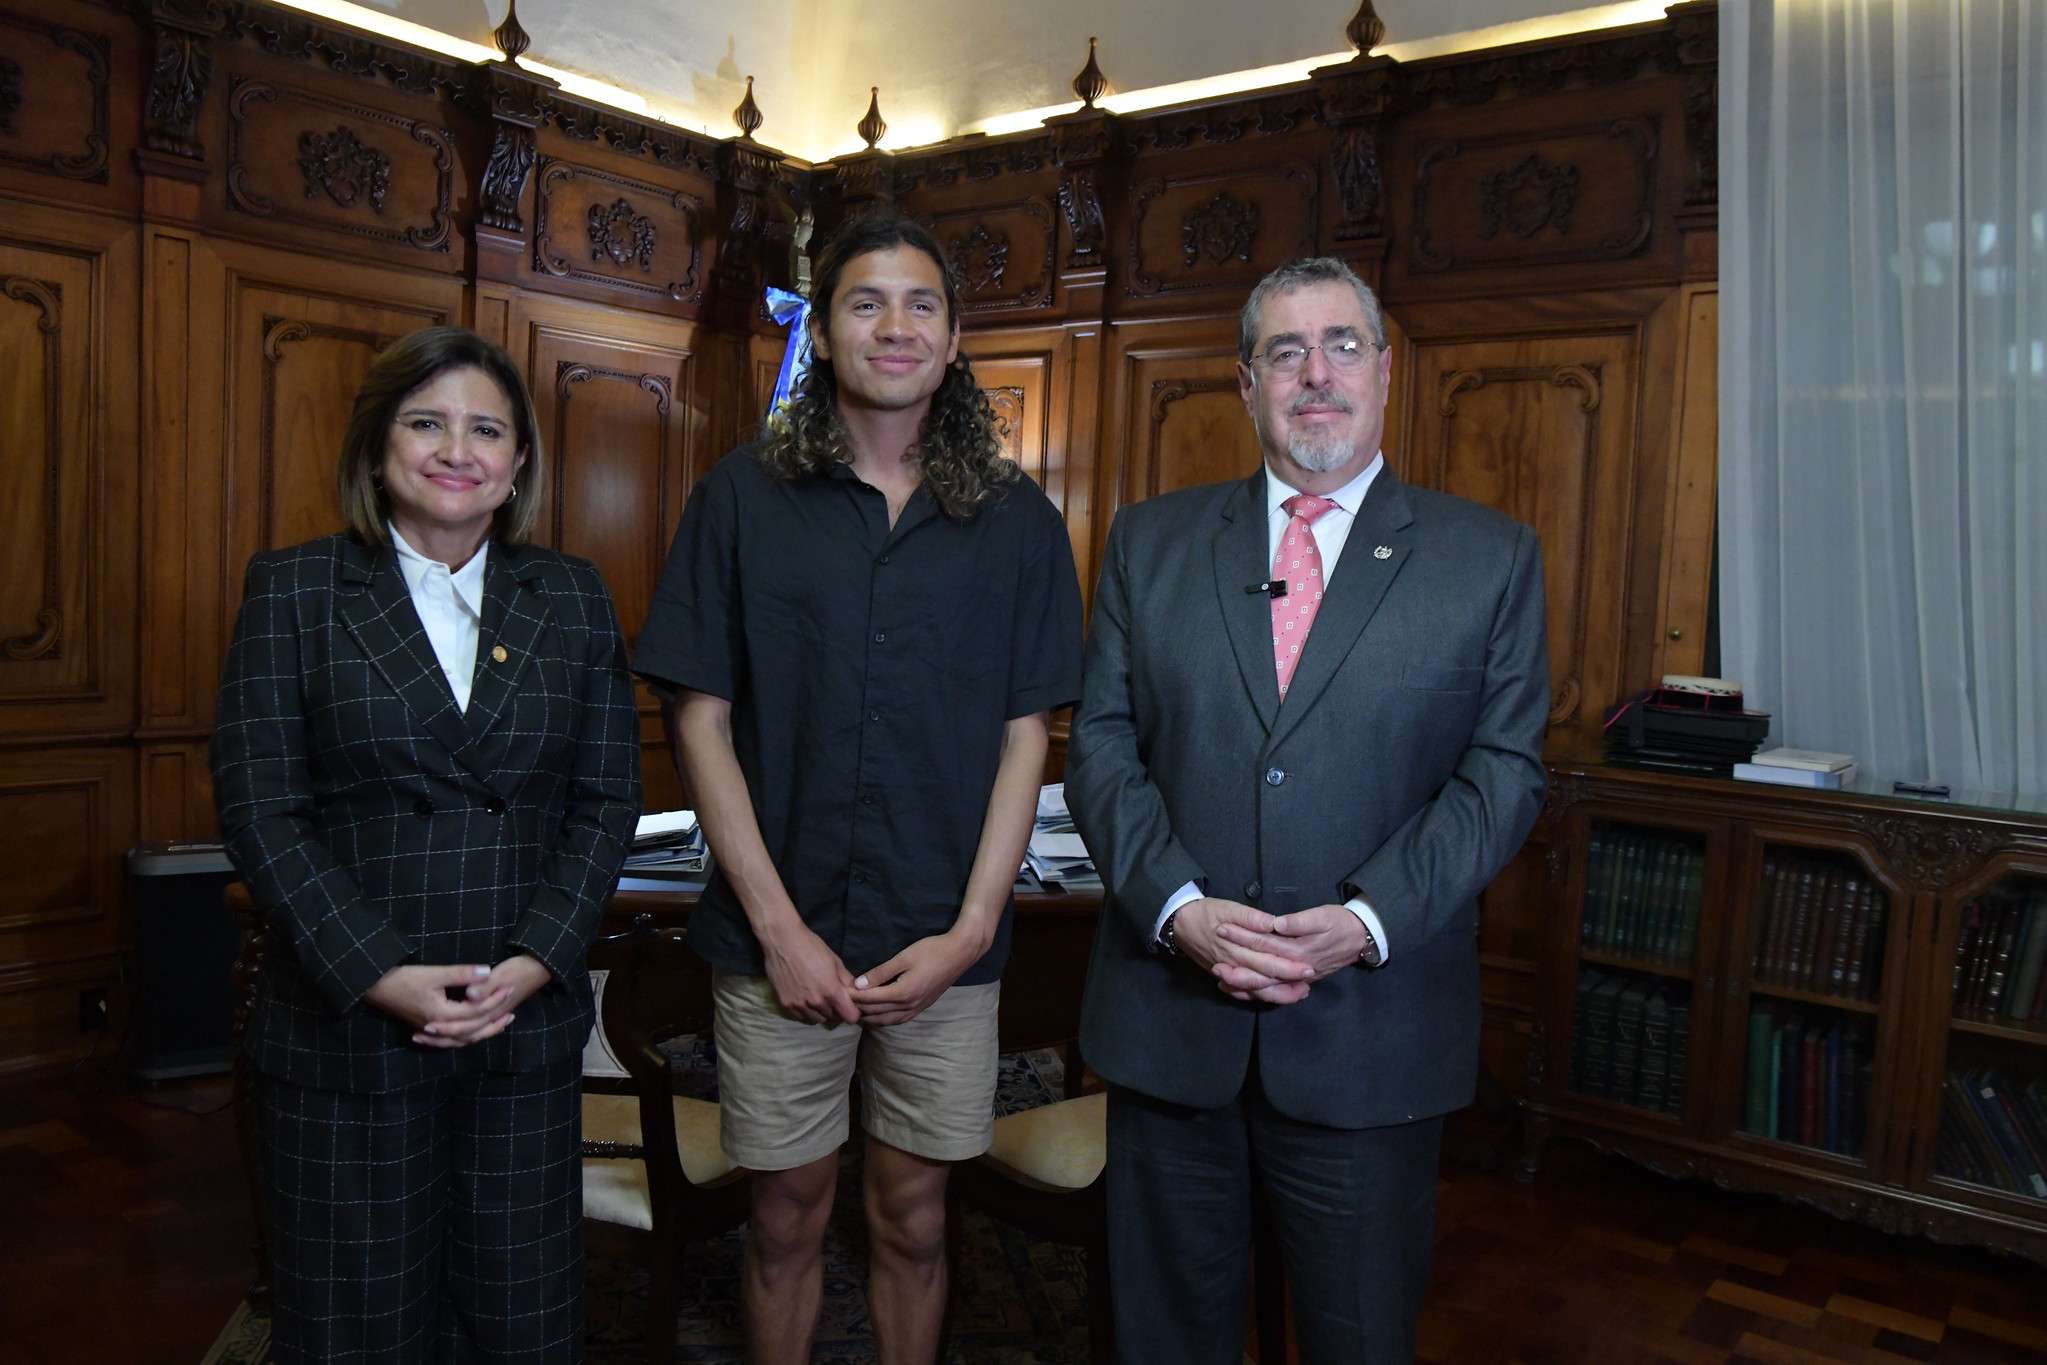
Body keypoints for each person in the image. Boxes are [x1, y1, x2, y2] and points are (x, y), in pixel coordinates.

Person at [1067, 256, 1550, 1363]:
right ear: (1246, 385)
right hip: (1169, 1029)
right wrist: (1177, 904)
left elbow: (1504, 773)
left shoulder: (1488, 558)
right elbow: (1098, 745)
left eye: (1341, 345)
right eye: (1284, 351)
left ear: (1385, 372)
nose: (1314, 374)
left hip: (1370, 1044)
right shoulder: (1150, 543)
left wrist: (1365, 921)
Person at [633, 211, 1084, 1365]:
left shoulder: (1018, 521)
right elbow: (699, 716)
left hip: (945, 943)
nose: (895, 324)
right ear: (823, 334)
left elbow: (1026, 730)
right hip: (775, 942)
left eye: (921, 303)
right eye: (865, 302)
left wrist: (974, 929)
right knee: (782, 1216)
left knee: (914, 1213)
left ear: (953, 338)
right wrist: (778, 932)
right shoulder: (739, 500)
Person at [213, 326, 641, 1363]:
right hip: (345, 1023)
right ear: (376, 447)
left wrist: (538, 961)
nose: (459, 448)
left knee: (522, 1320)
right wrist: (375, 972)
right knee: (357, 1325)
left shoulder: (572, 596)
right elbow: (261, 808)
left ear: (519, 463)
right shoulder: (296, 589)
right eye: (428, 422)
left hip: (520, 1024)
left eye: (487, 429)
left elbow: (606, 798)